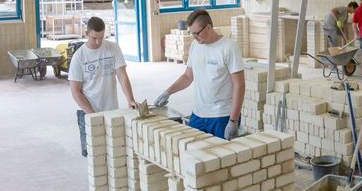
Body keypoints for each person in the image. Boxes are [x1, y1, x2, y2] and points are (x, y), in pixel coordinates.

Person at [153, 9, 245, 139]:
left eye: (197, 33)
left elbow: (239, 85)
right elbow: (188, 76)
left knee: (220, 157)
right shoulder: (195, 46)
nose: (195, 37)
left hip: (222, 116)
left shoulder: (228, 47)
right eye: (192, 34)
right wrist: (168, 92)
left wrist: (233, 121)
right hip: (198, 114)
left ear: (208, 27)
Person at [67, 16, 134, 157]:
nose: (98, 42)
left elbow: (122, 75)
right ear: (87, 34)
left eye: (101, 37)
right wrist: (92, 115)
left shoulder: (113, 48)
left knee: (114, 153)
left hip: (111, 110)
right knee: (93, 156)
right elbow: (75, 92)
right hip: (87, 112)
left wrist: (130, 99)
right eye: (94, 38)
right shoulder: (79, 57)